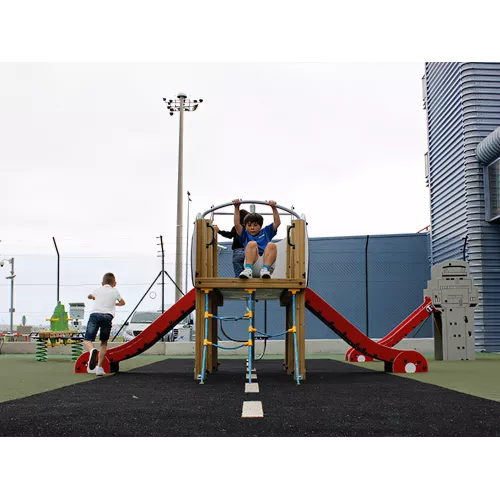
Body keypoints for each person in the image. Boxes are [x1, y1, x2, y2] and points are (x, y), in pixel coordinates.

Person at [84, 272, 125, 375]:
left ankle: (92, 350)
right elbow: (122, 303)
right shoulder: (115, 291)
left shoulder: (98, 289)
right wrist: (114, 303)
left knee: (87, 340)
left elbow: (89, 296)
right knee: (104, 342)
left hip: (95, 315)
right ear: (114, 283)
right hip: (107, 316)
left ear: (102, 283)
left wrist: (92, 297)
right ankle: (99, 368)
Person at [233, 199, 281, 279]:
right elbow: (237, 224)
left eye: (255, 225)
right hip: (252, 264)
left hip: (265, 264)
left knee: (271, 245)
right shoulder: (245, 234)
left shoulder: (266, 232)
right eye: (249, 225)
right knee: (252, 243)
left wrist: (274, 208)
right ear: (245, 226)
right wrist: (237, 207)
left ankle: (265, 270)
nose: (252, 228)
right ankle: (248, 270)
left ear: (260, 226)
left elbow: (277, 223)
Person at [213, 209, 249, 277]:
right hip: (248, 252)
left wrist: (219, 231)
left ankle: (239, 283)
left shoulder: (236, 227)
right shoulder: (249, 228)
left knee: (238, 273)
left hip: (237, 251)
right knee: (248, 271)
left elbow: (230, 235)